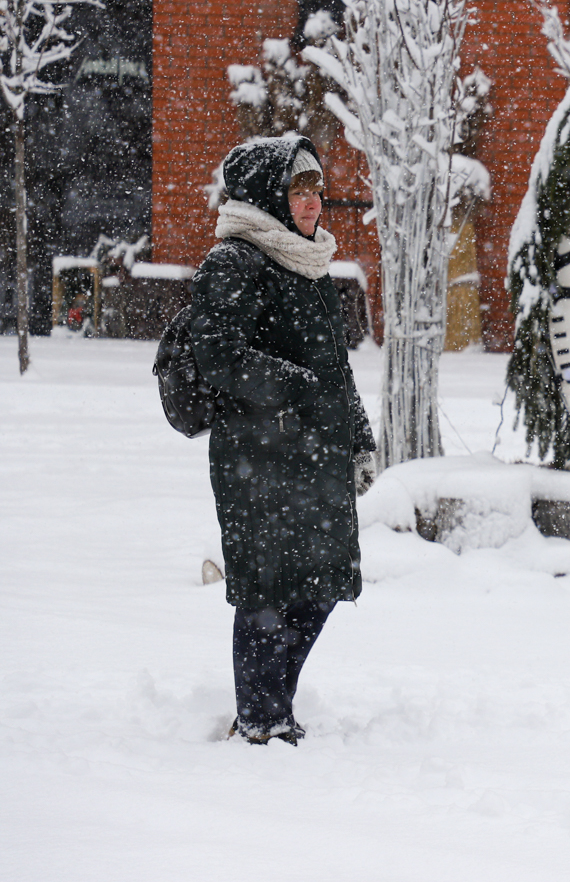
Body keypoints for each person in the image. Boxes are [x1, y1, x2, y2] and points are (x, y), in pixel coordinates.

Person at [190, 136, 377, 745]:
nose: (313, 201)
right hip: (258, 457)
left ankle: (274, 702)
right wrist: (290, 386)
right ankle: (262, 719)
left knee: (319, 584)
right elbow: (216, 356)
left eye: (317, 189)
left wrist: (358, 435)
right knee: (267, 588)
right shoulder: (235, 262)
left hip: (313, 455)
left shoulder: (312, 264)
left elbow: (337, 367)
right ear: (271, 193)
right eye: (300, 189)